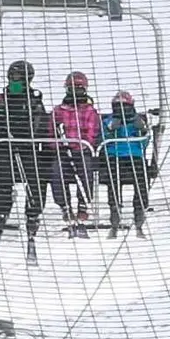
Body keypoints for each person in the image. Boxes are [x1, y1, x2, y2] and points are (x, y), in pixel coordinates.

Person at [0, 60, 52, 244]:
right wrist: (1, 125)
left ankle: (33, 214)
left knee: (37, 177)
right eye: (13, 77)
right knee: (1, 176)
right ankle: (1, 213)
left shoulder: (34, 99)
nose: (15, 81)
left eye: (19, 78)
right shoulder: (0, 99)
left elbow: (40, 124)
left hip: (26, 147)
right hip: (4, 147)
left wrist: (27, 132)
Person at [49, 71, 101, 236]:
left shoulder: (89, 111)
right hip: (63, 152)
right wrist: (58, 144)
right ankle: (65, 205)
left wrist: (80, 145)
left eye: (79, 88)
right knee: (57, 171)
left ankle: (83, 204)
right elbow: (51, 132)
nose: (76, 91)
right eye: (72, 88)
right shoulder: (58, 110)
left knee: (86, 170)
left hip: (81, 151)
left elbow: (91, 133)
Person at [100, 91, 151, 239]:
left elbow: (144, 141)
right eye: (118, 106)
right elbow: (102, 140)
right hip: (115, 156)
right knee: (113, 180)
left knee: (141, 179)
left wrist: (141, 129)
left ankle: (139, 215)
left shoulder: (137, 120)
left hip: (135, 155)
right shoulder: (108, 120)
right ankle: (115, 216)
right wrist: (110, 130)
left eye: (125, 106)